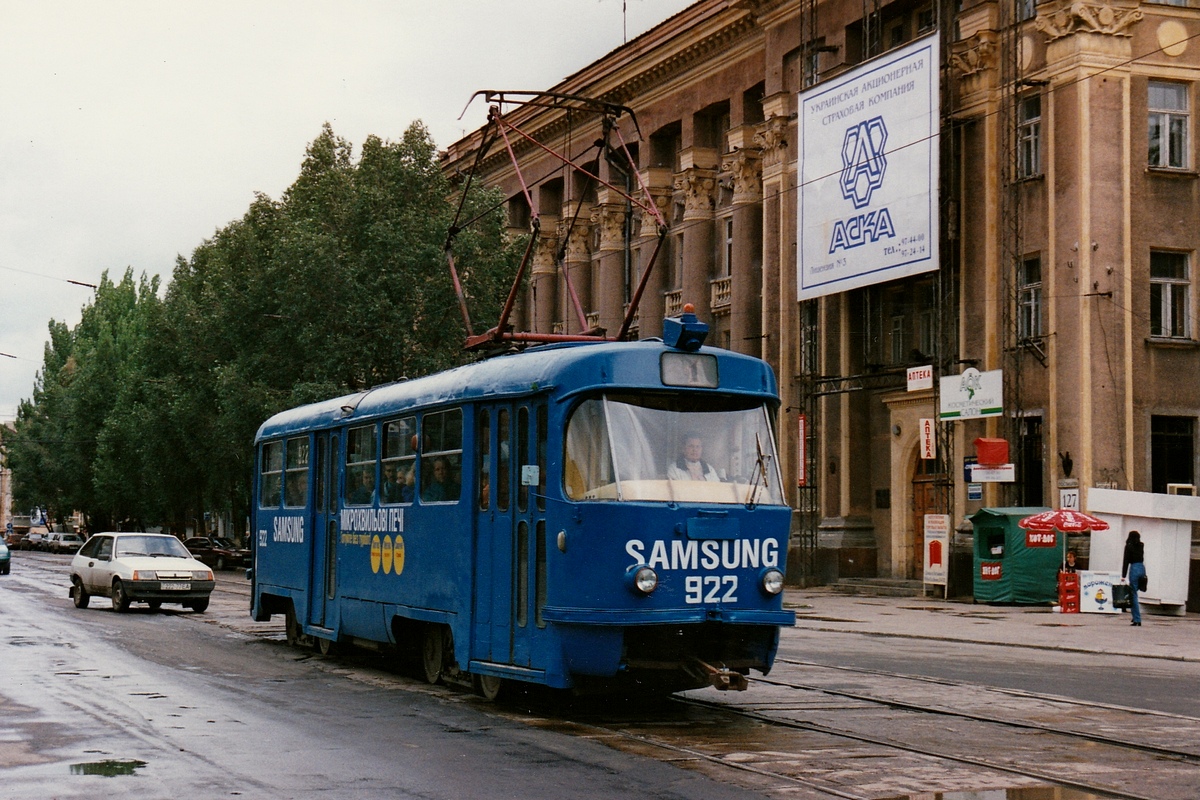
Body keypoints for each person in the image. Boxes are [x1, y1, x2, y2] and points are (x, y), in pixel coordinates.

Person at [1122, 530, 1146, 626]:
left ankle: (1137, 619)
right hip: (1142, 567)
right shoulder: (1141, 546)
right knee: (1136, 591)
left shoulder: (1128, 546)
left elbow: (1126, 561)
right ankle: (1134, 616)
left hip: (1134, 568)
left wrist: (1123, 575)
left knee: (1133, 594)